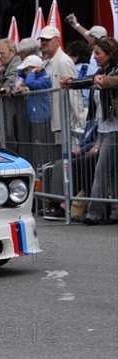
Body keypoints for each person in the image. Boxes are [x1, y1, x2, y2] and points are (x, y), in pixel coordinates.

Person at [62, 37, 118, 225]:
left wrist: (103, 80)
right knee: (111, 172)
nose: (94, 57)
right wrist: (71, 82)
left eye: (98, 53)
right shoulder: (102, 71)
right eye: (94, 53)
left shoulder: (113, 71)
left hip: (114, 128)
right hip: (104, 128)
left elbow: (108, 81)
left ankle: (94, 213)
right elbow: (89, 80)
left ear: (110, 54)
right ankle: (115, 213)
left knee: (102, 171)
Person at [39, 26, 84, 143]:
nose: (44, 42)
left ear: (57, 41)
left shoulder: (64, 61)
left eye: (47, 39)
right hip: (53, 122)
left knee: (67, 158)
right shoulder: (46, 62)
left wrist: (81, 121)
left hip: (65, 123)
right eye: (42, 39)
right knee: (58, 159)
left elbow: (74, 92)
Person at [14, 55, 52, 167]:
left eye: (27, 69)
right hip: (35, 117)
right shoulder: (32, 78)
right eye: (25, 70)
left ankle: (44, 168)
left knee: (41, 146)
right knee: (36, 145)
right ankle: (40, 166)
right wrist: (29, 72)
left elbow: (31, 84)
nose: (25, 73)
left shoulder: (44, 79)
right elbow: (20, 76)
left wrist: (34, 71)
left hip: (42, 118)